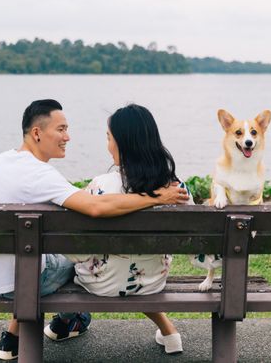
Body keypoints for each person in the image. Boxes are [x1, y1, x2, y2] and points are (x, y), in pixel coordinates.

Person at [0, 99, 189, 361]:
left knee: (73, 255)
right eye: (61, 129)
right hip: (22, 280)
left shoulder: (3, 161)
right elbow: (95, 208)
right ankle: (67, 323)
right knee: (76, 257)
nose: (68, 137)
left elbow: (92, 204)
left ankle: (19, 337)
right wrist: (156, 197)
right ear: (37, 133)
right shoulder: (41, 176)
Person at [66, 104, 191, 354]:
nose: (107, 144)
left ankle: (66, 320)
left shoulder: (100, 187)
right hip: (151, 281)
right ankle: (167, 330)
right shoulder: (178, 191)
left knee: (67, 263)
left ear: (122, 143)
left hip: (99, 283)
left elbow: (73, 246)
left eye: (109, 137)